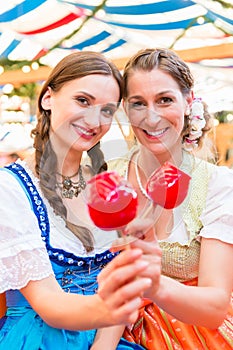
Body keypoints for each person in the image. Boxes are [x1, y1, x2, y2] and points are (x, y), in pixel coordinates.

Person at [0, 51, 156, 350]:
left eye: (107, 110)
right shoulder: (9, 189)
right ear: (47, 98)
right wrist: (119, 304)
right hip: (38, 339)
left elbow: (125, 279)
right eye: (82, 101)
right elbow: (50, 304)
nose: (94, 120)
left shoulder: (107, 186)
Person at [109, 48, 233, 349]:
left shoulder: (217, 184)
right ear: (126, 109)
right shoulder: (105, 177)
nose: (151, 117)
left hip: (195, 337)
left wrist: (149, 287)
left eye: (164, 100)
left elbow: (215, 304)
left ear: (189, 101)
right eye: (139, 103)